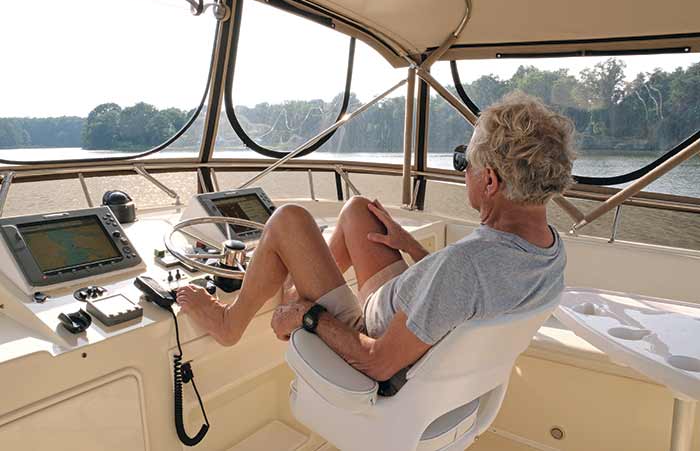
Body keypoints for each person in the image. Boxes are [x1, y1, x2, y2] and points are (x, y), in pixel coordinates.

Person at [176, 92, 575, 394]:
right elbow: (465, 289)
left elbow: (378, 363)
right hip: (407, 319)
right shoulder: (548, 249)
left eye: (464, 163)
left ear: (489, 182)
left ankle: (230, 322)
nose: (462, 173)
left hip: (372, 340)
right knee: (357, 211)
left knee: (288, 220)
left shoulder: (465, 265)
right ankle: (297, 283)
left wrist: (305, 316)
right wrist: (413, 251)